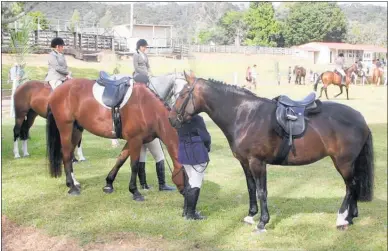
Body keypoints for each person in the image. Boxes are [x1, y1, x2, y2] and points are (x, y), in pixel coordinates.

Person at [178, 115, 211, 220]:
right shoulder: (197, 118)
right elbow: (205, 137)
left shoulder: (178, 118)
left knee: (190, 182)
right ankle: (191, 214)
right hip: (196, 152)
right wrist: (207, 147)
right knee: (195, 183)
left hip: (183, 151)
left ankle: (186, 211)